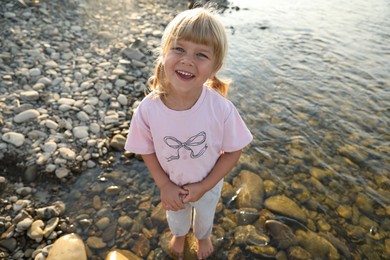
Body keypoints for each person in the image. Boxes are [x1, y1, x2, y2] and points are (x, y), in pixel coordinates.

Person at [125, 7, 252, 259]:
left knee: (205, 215)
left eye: (201, 54)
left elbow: (234, 150)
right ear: (164, 53)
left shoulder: (221, 108)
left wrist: (205, 185)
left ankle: (203, 237)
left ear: (215, 67)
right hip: (172, 182)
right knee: (176, 215)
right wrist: (163, 184)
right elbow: (146, 149)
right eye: (179, 49)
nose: (187, 60)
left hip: (208, 182)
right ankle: (180, 235)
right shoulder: (149, 109)